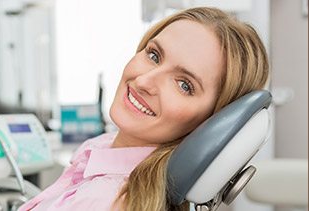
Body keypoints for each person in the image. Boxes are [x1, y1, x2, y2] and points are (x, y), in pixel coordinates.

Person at [18, 7, 269, 211]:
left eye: (184, 85)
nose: (144, 81)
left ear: (212, 123)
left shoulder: (104, 200)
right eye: (154, 56)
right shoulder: (101, 148)